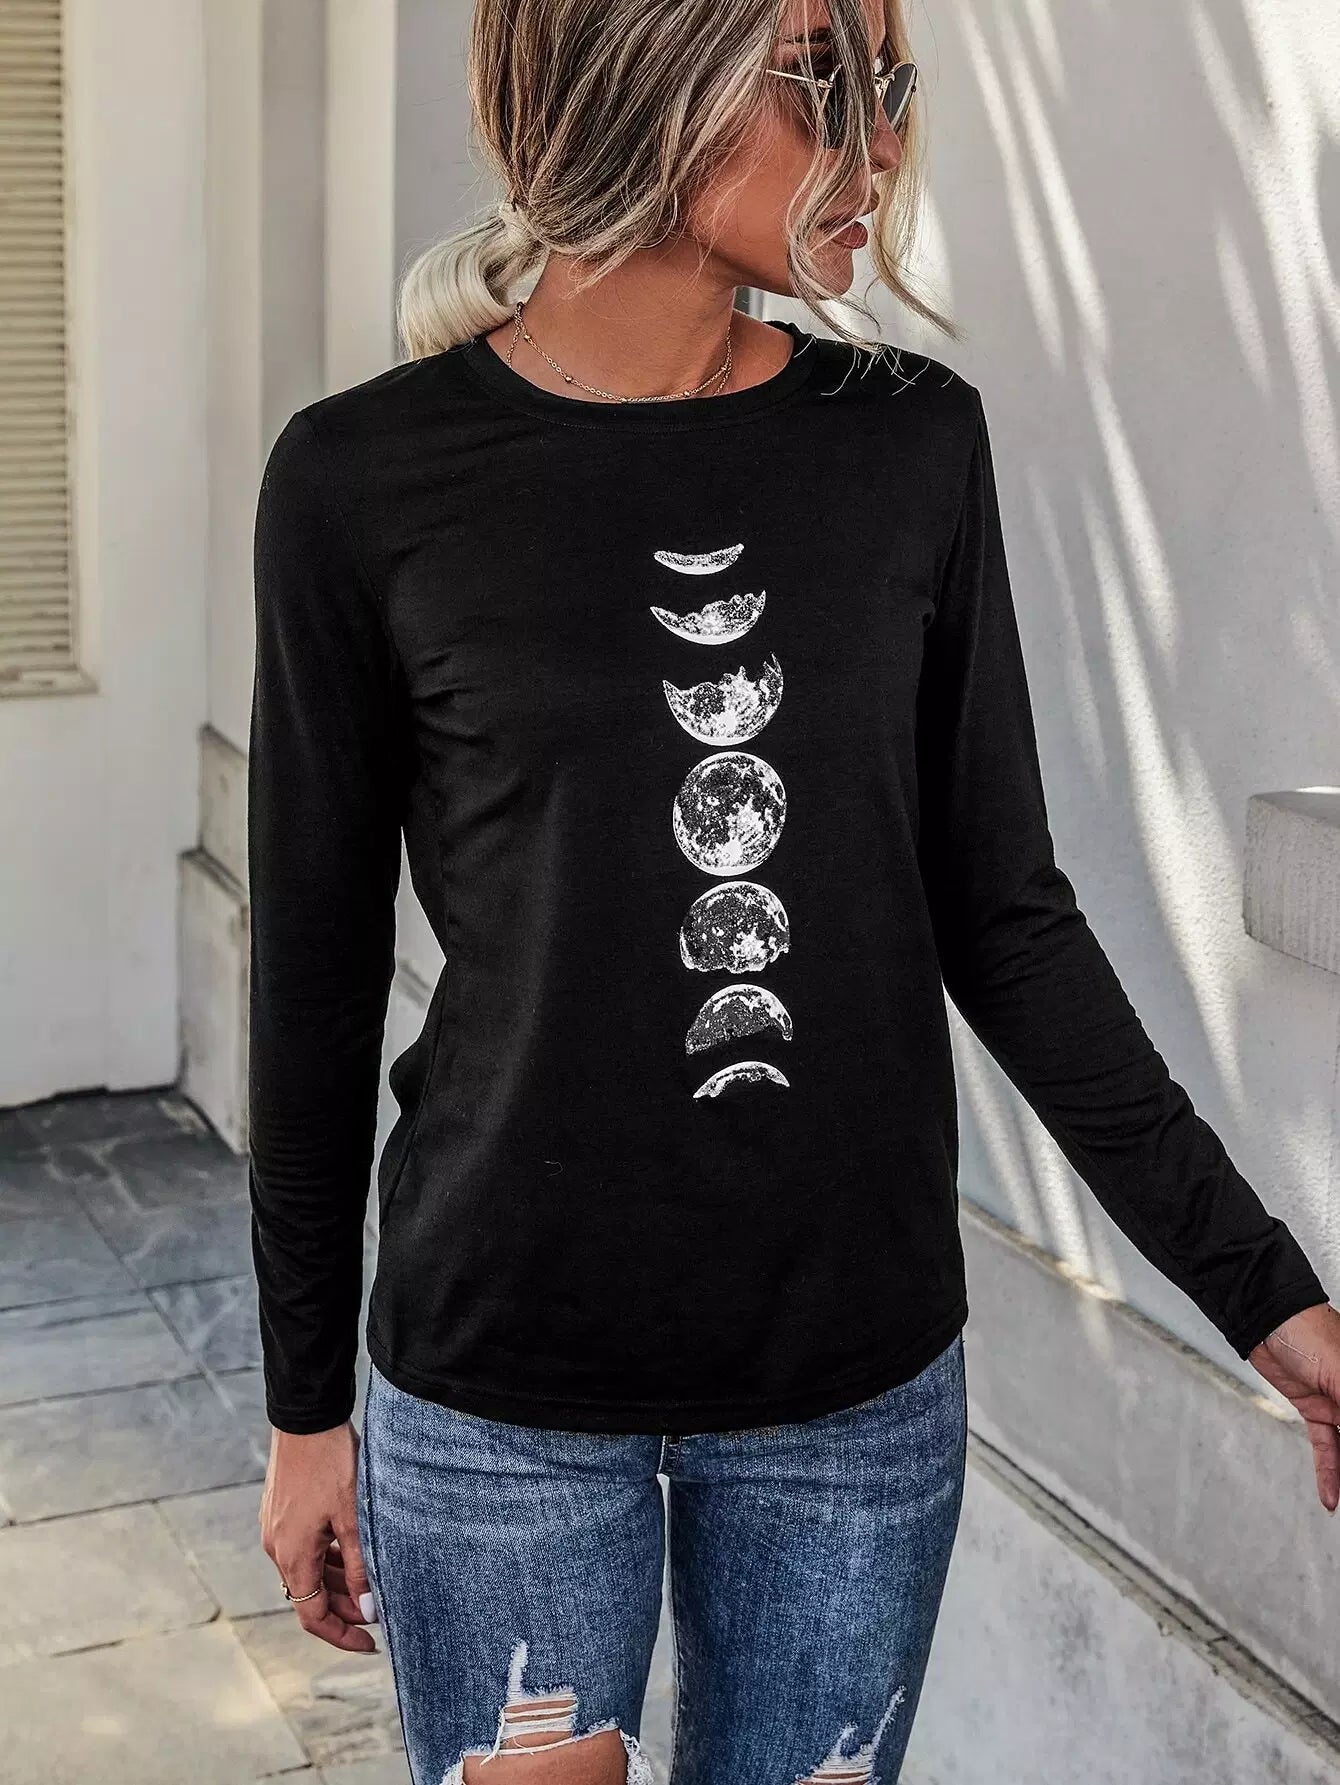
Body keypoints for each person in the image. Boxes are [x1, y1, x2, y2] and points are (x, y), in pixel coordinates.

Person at [246, 1, 1340, 1780]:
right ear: (643, 67)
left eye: (893, 86)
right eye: (827, 76)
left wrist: (1265, 1297)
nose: (883, 140)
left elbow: (1007, 921)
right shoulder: (362, 483)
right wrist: (304, 1408)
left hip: (852, 1396)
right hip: (501, 1389)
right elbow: (308, 978)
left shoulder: (910, 446)